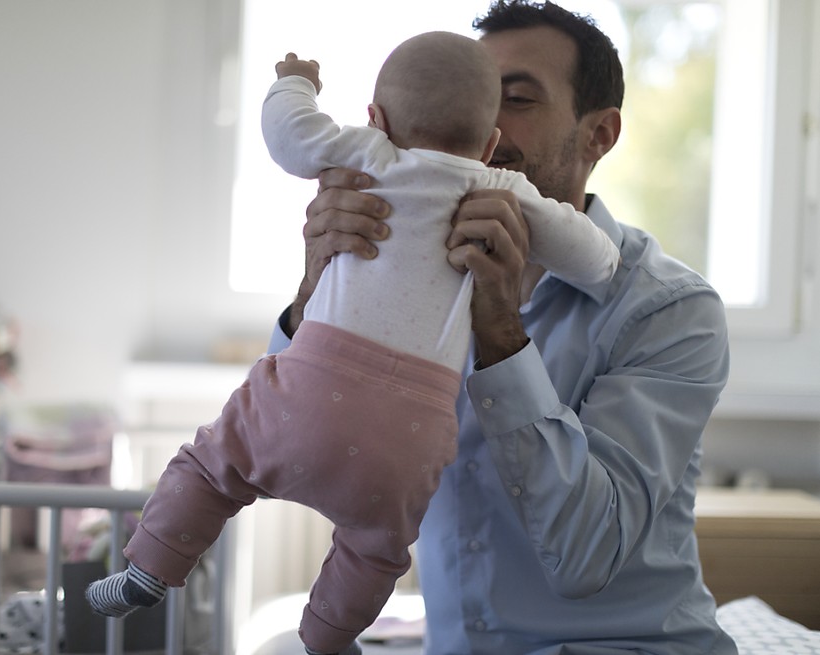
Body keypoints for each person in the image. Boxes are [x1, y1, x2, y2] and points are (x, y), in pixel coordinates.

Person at [85, 29, 619, 655]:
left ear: (376, 118)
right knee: (375, 550)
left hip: (308, 389)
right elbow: (596, 261)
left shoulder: (368, 155)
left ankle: (149, 568)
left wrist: (295, 82)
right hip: (414, 428)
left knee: (208, 468)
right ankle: (329, 641)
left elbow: (289, 133)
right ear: (491, 141)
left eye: (523, 95)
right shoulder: (501, 193)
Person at [267, 2, 737, 655]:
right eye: (471, 90)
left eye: (513, 97)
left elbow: (583, 555)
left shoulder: (670, 310)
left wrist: (498, 334)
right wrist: (314, 291)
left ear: (598, 134)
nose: (478, 119)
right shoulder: (408, 268)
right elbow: (293, 448)